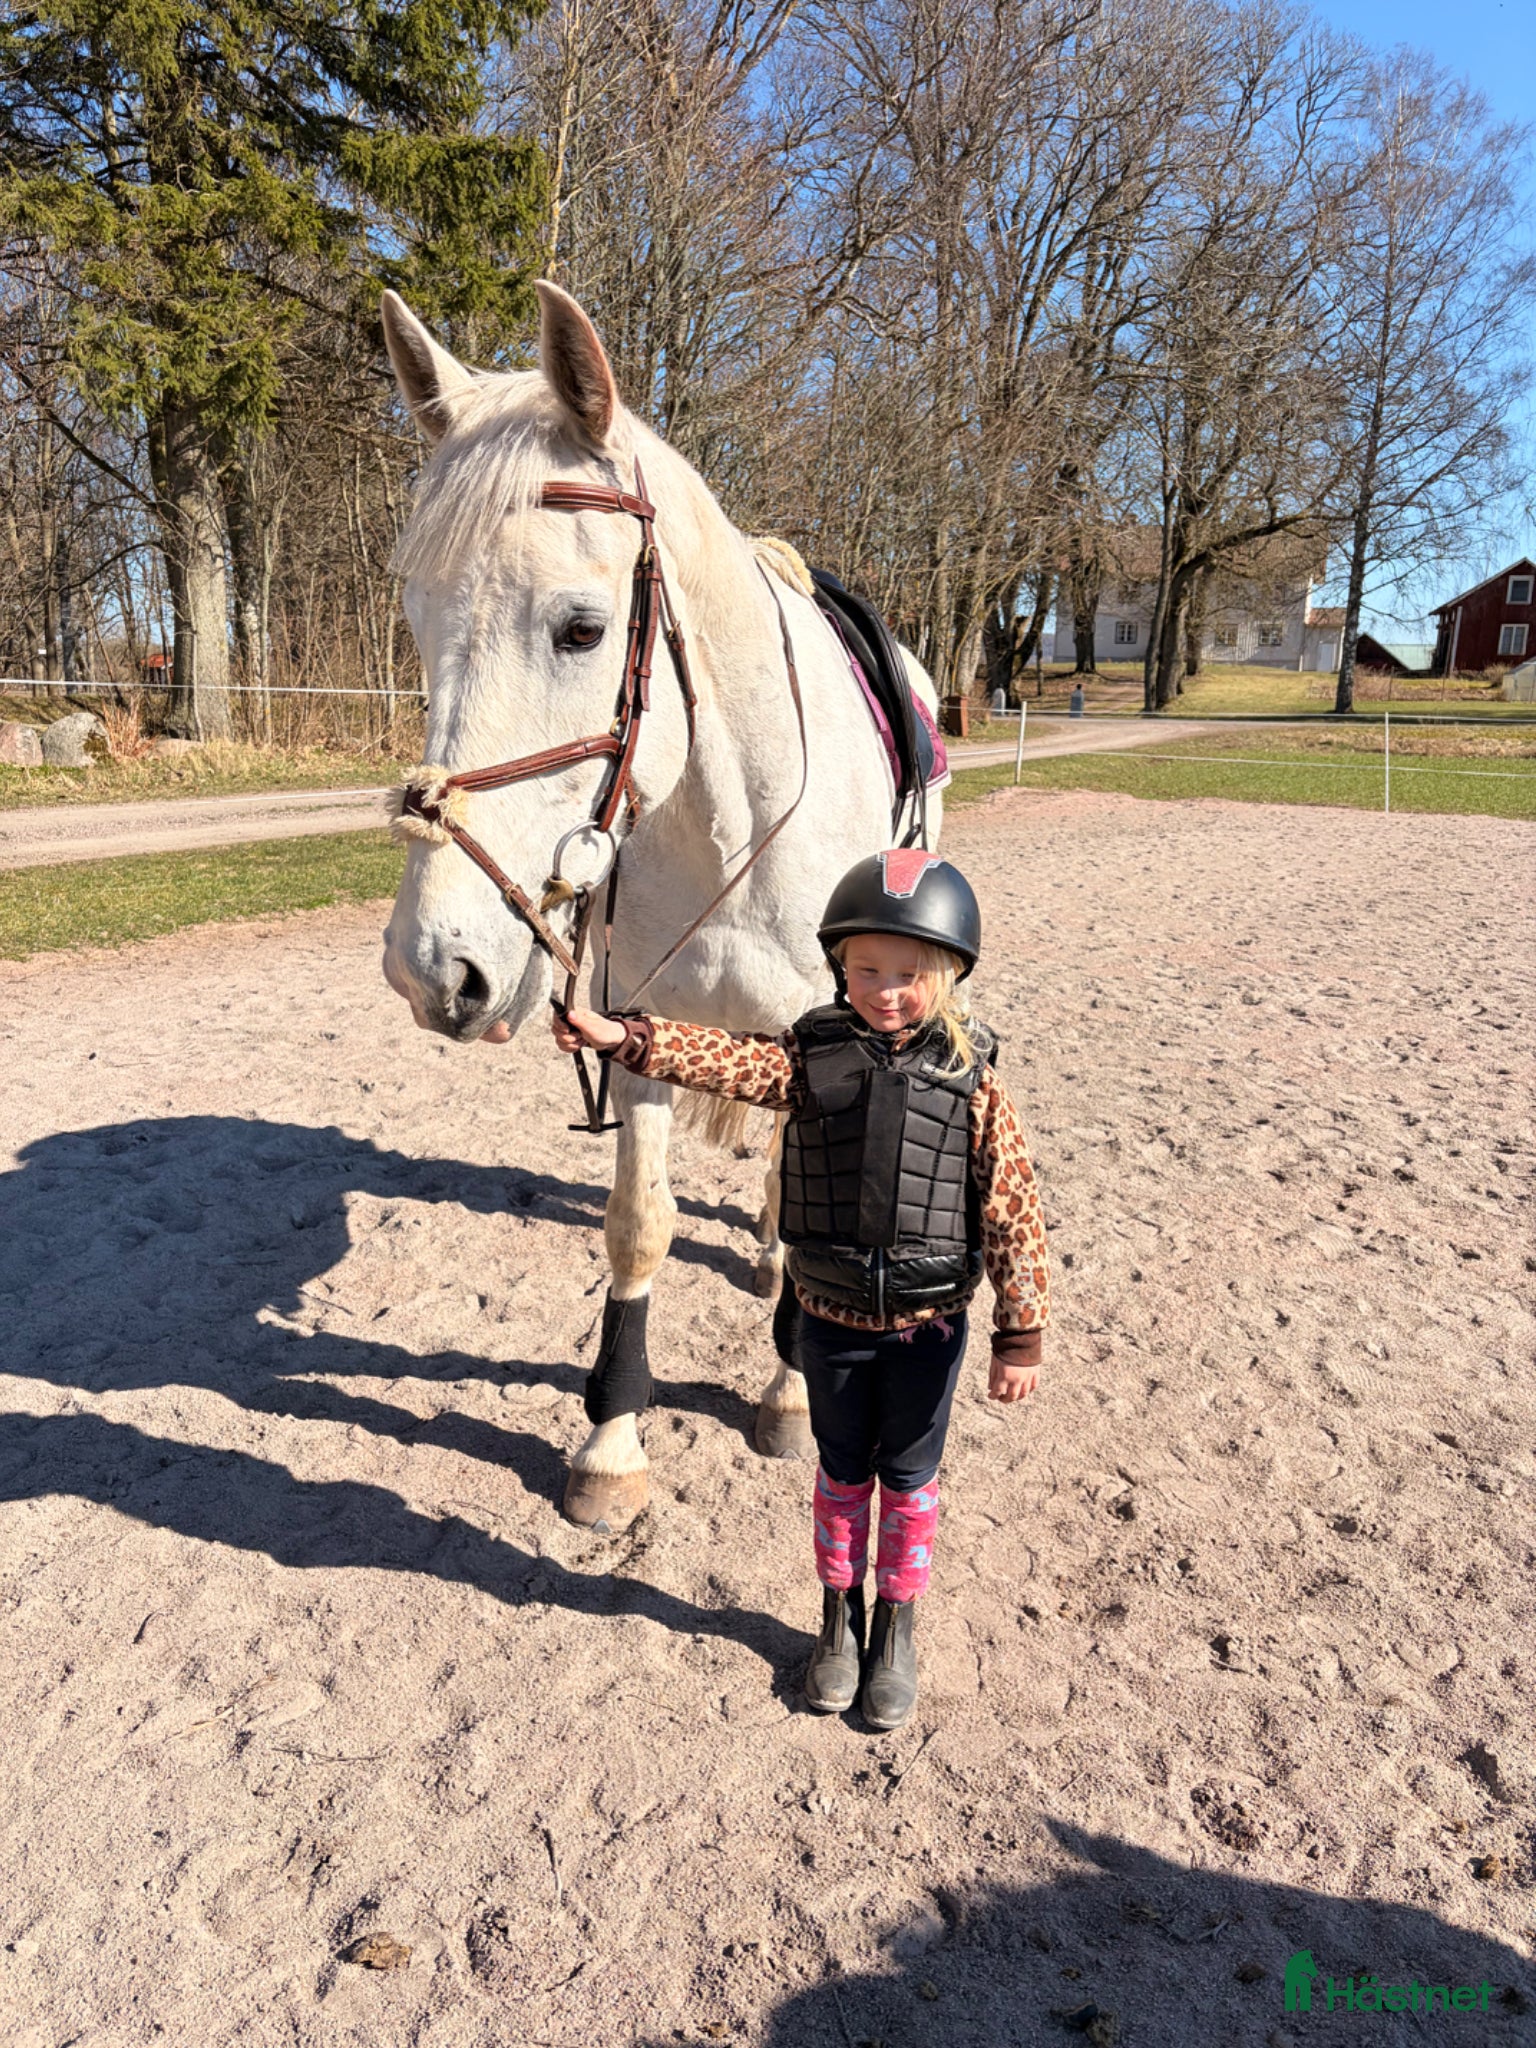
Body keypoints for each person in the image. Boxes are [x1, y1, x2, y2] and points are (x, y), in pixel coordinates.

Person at [551, 850, 1050, 1729]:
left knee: (912, 1480)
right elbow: (726, 1063)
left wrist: (1022, 1331)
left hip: (929, 1330)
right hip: (830, 1318)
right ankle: (837, 1622)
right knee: (839, 1473)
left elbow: (1013, 1205)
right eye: (866, 971)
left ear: (946, 977)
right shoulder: (808, 1057)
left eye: (907, 975)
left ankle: (896, 1622)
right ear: (837, 967)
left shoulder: (975, 1083)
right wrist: (628, 1036)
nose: (885, 990)